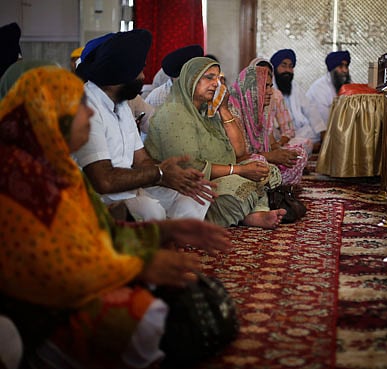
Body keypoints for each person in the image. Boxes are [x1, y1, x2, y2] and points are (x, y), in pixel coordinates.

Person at [0, 66, 231, 369]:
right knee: (149, 316)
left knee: (174, 305)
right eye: (80, 107)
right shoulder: (14, 178)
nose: (91, 115)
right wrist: (139, 267)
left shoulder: (61, 170)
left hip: (78, 285)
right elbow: (51, 273)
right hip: (38, 313)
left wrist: (165, 230)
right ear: (51, 114)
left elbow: (102, 233)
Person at [74, 29, 216, 221]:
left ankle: (172, 234)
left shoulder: (121, 103)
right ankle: (164, 235)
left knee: (199, 192)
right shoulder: (85, 106)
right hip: (95, 199)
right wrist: (159, 173)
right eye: (138, 71)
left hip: (130, 190)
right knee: (151, 211)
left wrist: (174, 175)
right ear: (120, 74)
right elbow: (104, 181)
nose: (143, 76)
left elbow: (141, 161)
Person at [145, 56, 286, 229]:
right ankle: (224, 218)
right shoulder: (174, 114)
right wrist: (240, 170)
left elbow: (239, 151)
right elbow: (191, 167)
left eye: (218, 79)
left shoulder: (207, 111)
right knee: (240, 187)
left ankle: (254, 213)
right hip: (179, 185)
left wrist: (224, 109)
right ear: (191, 79)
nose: (216, 84)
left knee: (265, 170)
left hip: (217, 174)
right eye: (209, 77)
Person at [229, 59, 308, 185]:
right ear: (251, 87)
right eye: (265, 86)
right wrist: (270, 156)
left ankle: (279, 189)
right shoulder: (233, 110)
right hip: (241, 166)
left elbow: (270, 142)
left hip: (263, 159)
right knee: (260, 161)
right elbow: (234, 157)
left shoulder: (262, 110)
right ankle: (271, 189)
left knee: (298, 154)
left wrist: (279, 152)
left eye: (271, 86)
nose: (271, 92)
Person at [270, 48, 327, 153]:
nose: (287, 70)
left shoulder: (295, 87)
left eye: (290, 66)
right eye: (284, 65)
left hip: (297, 131)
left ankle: (304, 147)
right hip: (279, 134)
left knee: (316, 134)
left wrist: (322, 131)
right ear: (274, 68)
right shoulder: (270, 88)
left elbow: (310, 109)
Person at [306, 50, 351, 125]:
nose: (345, 70)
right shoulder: (320, 88)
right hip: (317, 132)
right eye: (341, 66)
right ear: (332, 69)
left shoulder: (345, 85)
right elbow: (323, 120)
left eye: (346, 66)